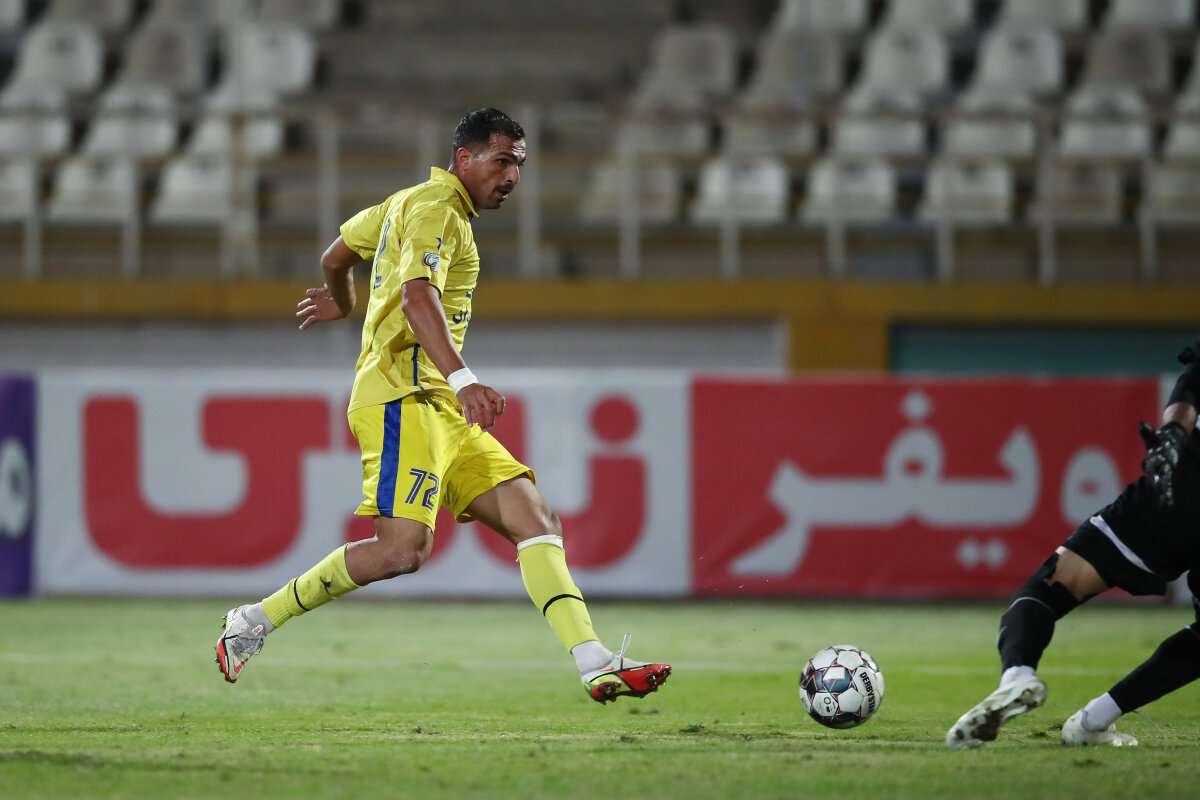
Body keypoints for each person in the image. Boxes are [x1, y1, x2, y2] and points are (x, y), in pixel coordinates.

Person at [214, 108, 670, 704]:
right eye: (502, 161)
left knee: (535, 520)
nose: (512, 177)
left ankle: (593, 661)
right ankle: (252, 621)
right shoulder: (438, 212)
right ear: (464, 159)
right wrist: (463, 380)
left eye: (519, 165)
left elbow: (335, 255)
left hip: (438, 405)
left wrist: (343, 303)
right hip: (403, 397)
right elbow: (416, 297)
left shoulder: (404, 204)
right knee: (401, 552)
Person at [946, 334, 1200, 748]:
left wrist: (1173, 433)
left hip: (1182, 485)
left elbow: (1193, 380)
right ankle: (1094, 720)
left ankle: (1017, 676)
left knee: (1057, 581)